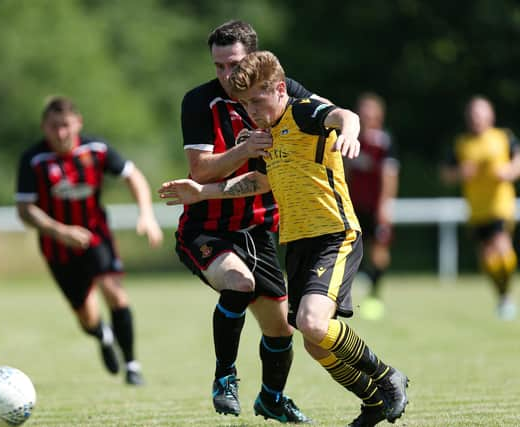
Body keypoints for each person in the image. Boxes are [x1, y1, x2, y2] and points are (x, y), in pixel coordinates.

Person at [160, 51, 410, 427]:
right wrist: (202, 192)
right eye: (244, 105)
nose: (251, 111)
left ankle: (388, 377)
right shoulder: (265, 134)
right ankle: (372, 400)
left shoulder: (304, 112)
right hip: (297, 243)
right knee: (314, 341)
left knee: (311, 323)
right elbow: (259, 182)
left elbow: (346, 116)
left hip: (334, 235)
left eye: (258, 101)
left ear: (279, 89)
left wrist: (352, 133)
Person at [175, 20, 325, 423]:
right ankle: (225, 376)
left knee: (281, 332)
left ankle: (272, 399)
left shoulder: (281, 89)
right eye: (218, 66)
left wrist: (347, 123)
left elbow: (323, 112)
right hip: (206, 227)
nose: (226, 75)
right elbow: (200, 172)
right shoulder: (199, 102)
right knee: (239, 284)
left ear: (254, 60)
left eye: (233, 64)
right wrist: (245, 150)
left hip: (258, 229)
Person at [15, 96, 163, 385]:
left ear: (78, 124)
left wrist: (146, 214)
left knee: (116, 294)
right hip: (56, 247)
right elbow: (25, 210)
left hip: (97, 237)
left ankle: (132, 365)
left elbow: (134, 177)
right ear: (44, 127)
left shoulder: (96, 150)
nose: (61, 133)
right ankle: (102, 335)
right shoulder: (33, 160)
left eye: (66, 126)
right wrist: (61, 232)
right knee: (86, 318)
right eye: (54, 127)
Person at [441, 95, 520, 320]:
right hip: (476, 210)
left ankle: (505, 298)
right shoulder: (462, 144)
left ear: (490, 116)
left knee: (503, 252)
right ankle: (504, 297)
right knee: (488, 261)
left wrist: (510, 171)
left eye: (480, 114)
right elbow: (446, 173)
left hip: (500, 206)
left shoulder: (503, 137)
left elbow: (517, 160)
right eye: (473, 115)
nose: (476, 119)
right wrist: (459, 173)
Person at [345, 93, 399, 320]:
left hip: (375, 207)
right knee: (348, 250)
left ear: (379, 114)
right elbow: (343, 173)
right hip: (353, 205)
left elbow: (390, 175)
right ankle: (341, 296)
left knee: (378, 251)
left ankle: (375, 294)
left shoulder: (384, 142)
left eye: (371, 110)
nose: (367, 115)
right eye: (363, 110)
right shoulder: (349, 138)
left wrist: (385, 206)